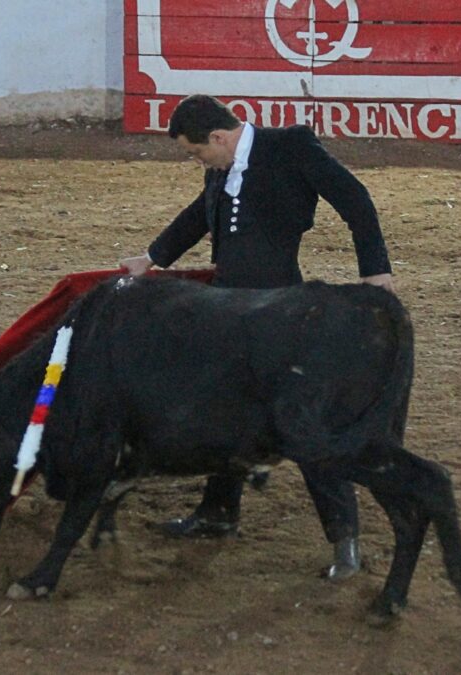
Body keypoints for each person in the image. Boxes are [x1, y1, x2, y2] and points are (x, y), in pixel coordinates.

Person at [119, 94, 394, 581]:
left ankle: (345, 538)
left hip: (279, 316)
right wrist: (153, 257)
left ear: (220, 138)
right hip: (227, 312)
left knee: (302, 424)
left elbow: (356, 200)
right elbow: (200, 215)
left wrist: (375, 273)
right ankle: (218, 513)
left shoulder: (292, 147)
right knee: (226, 412)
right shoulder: (222, 166)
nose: (196, 161)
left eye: (195, 152)